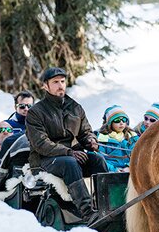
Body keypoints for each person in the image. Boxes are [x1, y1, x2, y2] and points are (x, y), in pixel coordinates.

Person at [26, 67, 108, 223]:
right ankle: (88, 213)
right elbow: (40, 143)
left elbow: (85, 132)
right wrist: (68, 152)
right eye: (55, 82)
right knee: (70, 163)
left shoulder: (75, 107)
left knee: (98, 160)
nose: (60, 85)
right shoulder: (36, 112)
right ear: (45, 86)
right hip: (46, 158)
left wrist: (91, 141)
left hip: (73, 155)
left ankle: (107, 206)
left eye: (62, 81)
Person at [97, 106, 138, 172]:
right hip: (110, 172)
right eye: (117, 120)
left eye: (124, 120)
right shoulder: (102, 139)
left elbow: (138, 154)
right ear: (110, 123)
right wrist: (114, 170)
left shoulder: (132, 137)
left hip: (130, 171)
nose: (121, 123)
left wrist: (129, 167)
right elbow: (99, 159)